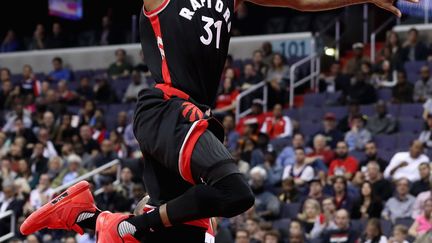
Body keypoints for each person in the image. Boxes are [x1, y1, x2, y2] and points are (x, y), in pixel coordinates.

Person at [21, 0, 412, 243]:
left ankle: (87, 216)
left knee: (185, 232)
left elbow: (302, 1)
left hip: (190, 116)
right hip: (168, 109)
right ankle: (131, 226)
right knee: (235, 192)